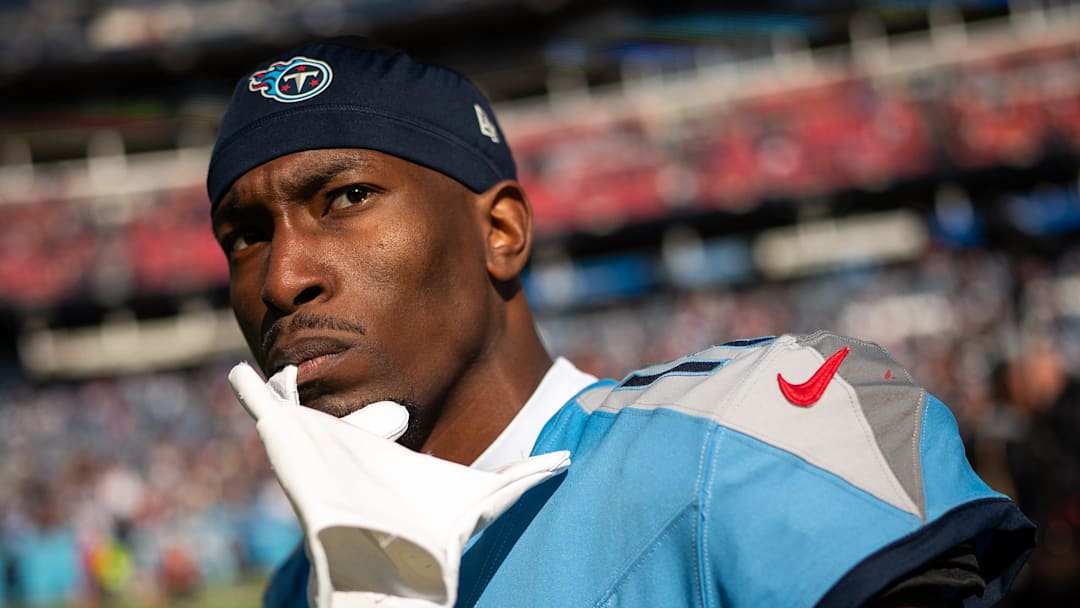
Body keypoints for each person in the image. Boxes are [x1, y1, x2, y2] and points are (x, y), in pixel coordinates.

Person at [206, 38, 1034, 607]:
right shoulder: (308, 583)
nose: (284, 278)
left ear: (500, 234)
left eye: (346, 198)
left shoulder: (746, 440)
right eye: (245, 236)